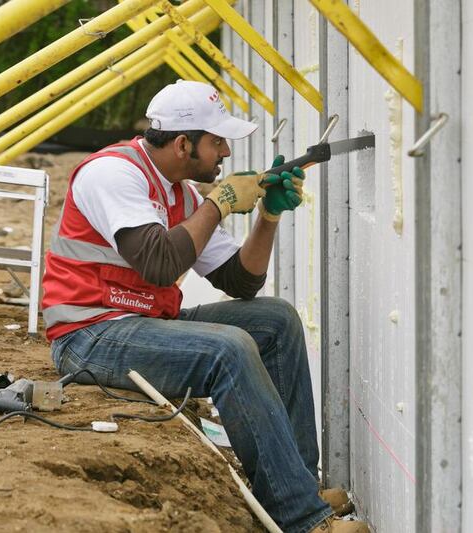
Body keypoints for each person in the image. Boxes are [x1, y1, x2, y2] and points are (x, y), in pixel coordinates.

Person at [41, 80, 368, 533]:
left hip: (141, 322)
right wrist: (219, 203)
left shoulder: (182, 195)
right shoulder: (113, 174)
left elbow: (241, 281)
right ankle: (303, 520)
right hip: (89, 335)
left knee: (274, 321)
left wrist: (266, 216)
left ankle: (295, 484)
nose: (226, 155)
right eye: (217, 143)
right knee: (227, 349)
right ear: (182, 143)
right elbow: (158, 263)